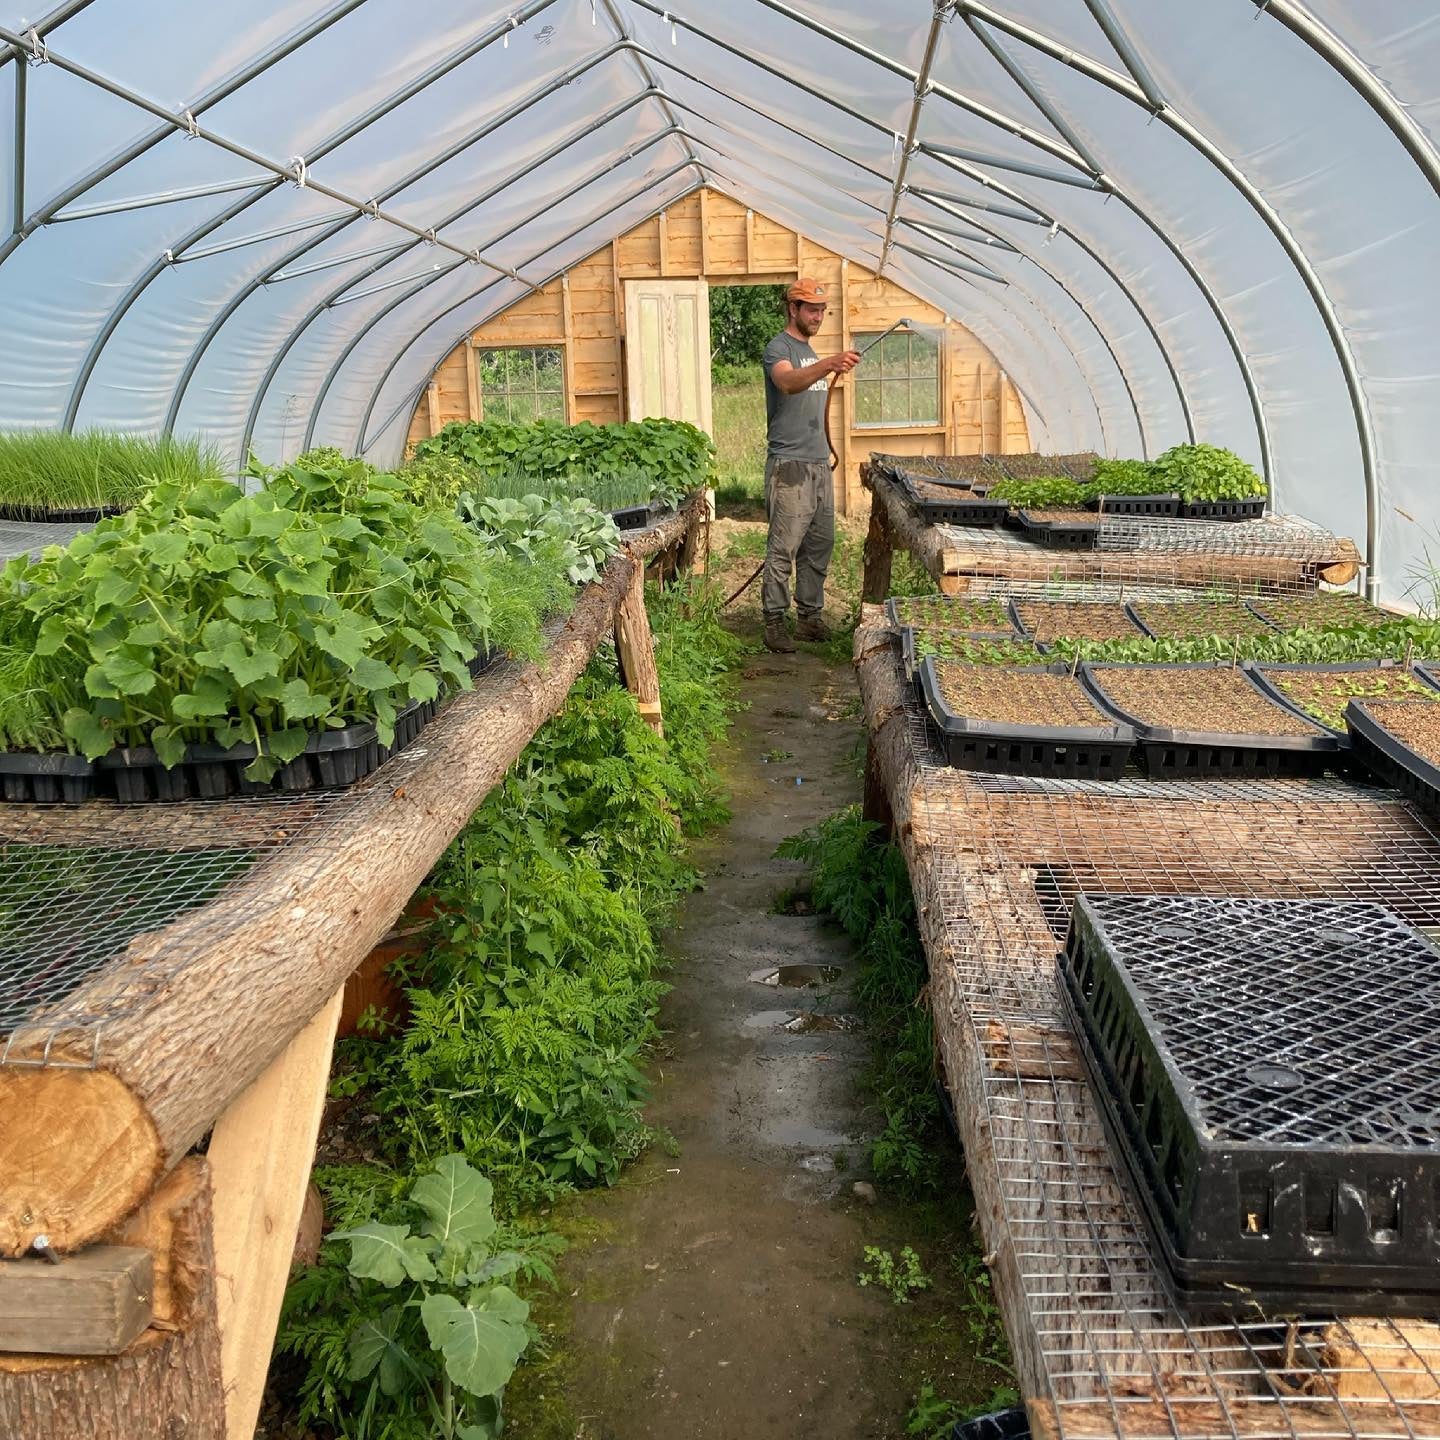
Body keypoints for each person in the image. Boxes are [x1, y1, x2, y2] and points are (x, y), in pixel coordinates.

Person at [759, 278, 861, 654]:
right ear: (793, 309)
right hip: (790, 466)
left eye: (821, 310)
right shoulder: (779, 348)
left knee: (820, 544)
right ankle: (774, 622)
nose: (818, 316)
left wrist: (827, 363)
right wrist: (828, 363)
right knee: (783, 547)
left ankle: (809, 619)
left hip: (818, 464)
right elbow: (787, 382)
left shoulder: (808, 350)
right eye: (811, 309)